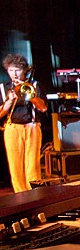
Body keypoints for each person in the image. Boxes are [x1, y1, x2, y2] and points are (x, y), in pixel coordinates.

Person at [0, 54, 47, 192]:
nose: (14, 74)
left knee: (32, 166)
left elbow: (43, 108)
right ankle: (21, 198)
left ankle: (34, 197)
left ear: (24, 70)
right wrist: (9, 100)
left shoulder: (35, 85)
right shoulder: (3, 88)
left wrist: (30, 95)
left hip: (32, 127)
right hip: (12, 128)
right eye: (11, 70)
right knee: (15, 167)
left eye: (17, 70)